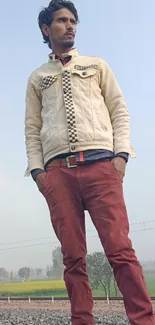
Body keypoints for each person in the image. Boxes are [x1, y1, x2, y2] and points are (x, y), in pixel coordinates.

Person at [24, 1, 155, 324]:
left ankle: (144, 319)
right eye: (62, 20)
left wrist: (120, 157)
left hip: (101, 167)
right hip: (58, 174)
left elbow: (119, 111)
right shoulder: (38, 78)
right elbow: (31, 129)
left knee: (120, 251)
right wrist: (39, 173)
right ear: (46, 29)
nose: (70, 26)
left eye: (73, 20)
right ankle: (82, 320)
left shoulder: (97, 66)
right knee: (72, 258)